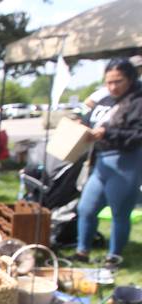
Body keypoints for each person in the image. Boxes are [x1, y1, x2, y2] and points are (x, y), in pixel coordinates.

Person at [75, 58, 142, 267]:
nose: (112, 87)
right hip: (101, 163)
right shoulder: (105, 100)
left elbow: (137, 134)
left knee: (119, 212)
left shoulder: (138, 102)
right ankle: (81, 252)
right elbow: (88, 120)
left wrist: (107, 132)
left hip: (126, 162)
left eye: (118, 81)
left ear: (130, 79)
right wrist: (80, 123)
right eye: (109, 82)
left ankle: (114, 257)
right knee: (86, 208)